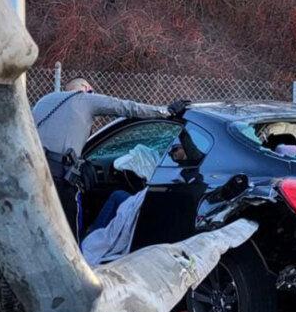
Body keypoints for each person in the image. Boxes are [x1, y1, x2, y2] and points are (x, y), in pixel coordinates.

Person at [32, 78, 189, 234]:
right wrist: (165, 112)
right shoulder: (85, 99)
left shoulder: (44, 100)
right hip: (60, 178)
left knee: (35, 223)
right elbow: (126, 107)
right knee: (69, 232)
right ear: (86, 88)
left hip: (30, 170)